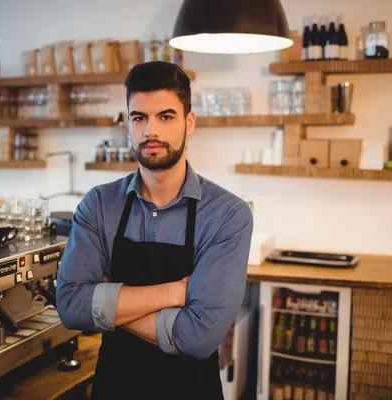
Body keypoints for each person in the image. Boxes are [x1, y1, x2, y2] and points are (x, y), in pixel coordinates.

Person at [57, 61, 253, 399]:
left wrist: (107, 307)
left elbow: (198, 337)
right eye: (139, 118)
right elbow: (72, 306)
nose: (151, 131)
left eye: (166, 116)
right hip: (114, 389)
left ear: (189, 122)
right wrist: (175, 293)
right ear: (128, 123)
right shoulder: (99, 204)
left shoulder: (227, 215)